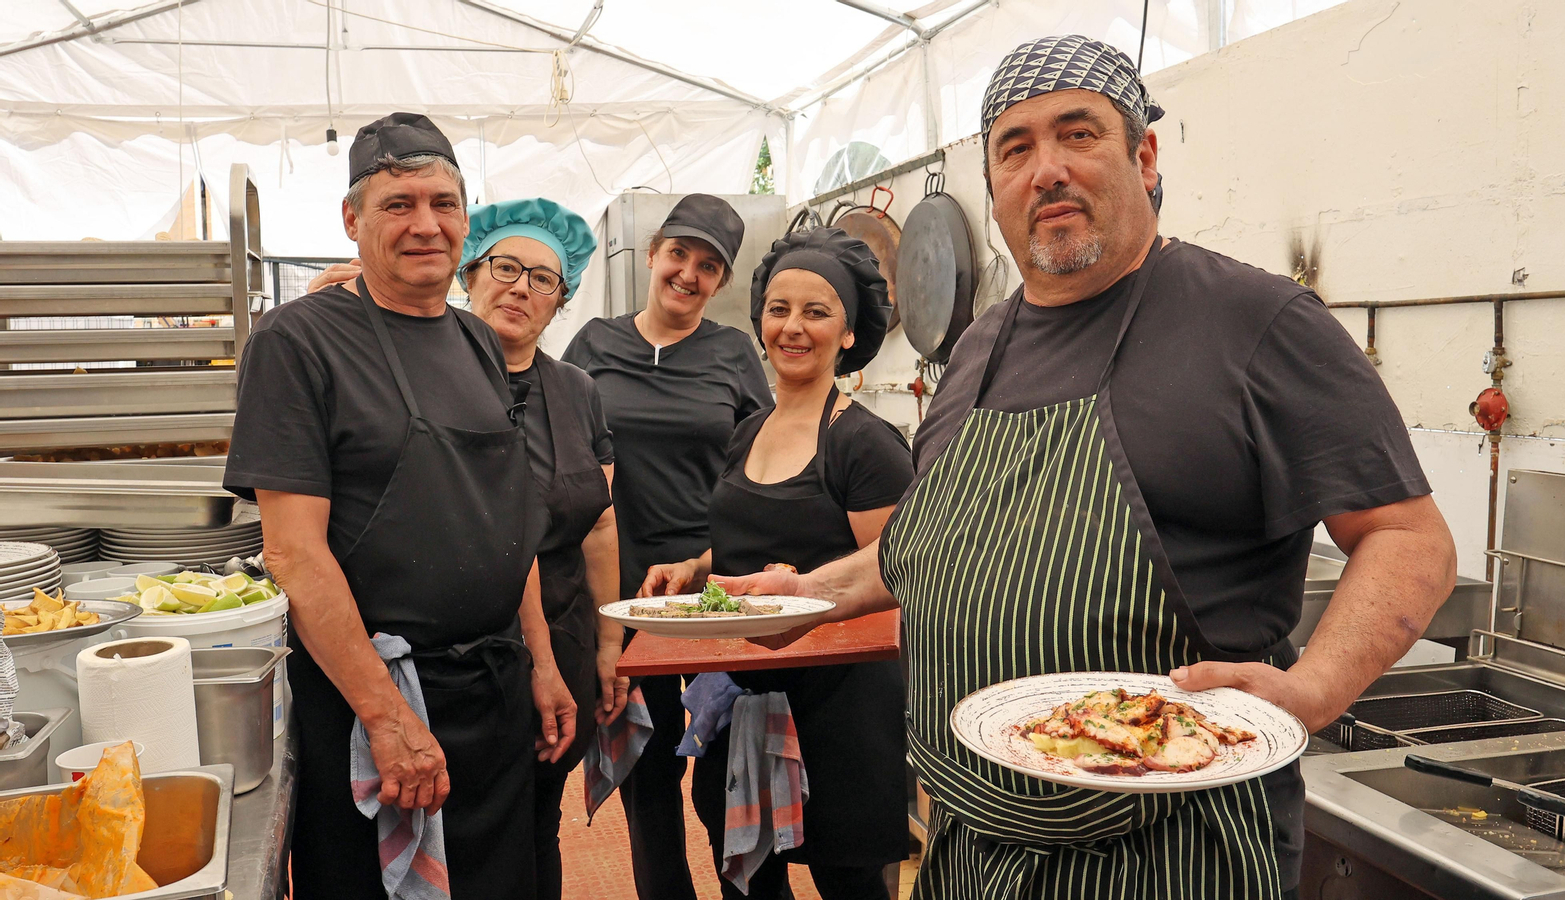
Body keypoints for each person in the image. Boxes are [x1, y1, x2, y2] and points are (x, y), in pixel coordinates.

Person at [719, 35, 1457, 900]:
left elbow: (1411, 537)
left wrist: (1317, 688)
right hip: (971, 844)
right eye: (1017, 147)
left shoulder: (1258, 322)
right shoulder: (977, 347)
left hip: (1171, 851)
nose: (1047, 170)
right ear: (993, 184)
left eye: (1079, 135)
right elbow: (934, 543)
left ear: (1143, 155)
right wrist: (815, 595)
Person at [223, 113, 576, 898]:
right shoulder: (297, 343)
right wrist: (386, 719)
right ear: (352, 219)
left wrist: (543, 662)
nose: (426, 225)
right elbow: (292, 551)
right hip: (372, 706)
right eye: (399, 204)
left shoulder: (478, 341)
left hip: (491, 694)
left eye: (444, 204)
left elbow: (504, 519)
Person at [306, 197, 627, 899]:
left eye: (543, 278)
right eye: (506, 267)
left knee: (534, 824)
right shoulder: (391, 365)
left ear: (560, 300)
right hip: (432, 664)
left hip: (555, 644)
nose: (521, 287)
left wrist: (607, 645)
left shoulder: (577, 391)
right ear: (469, 274)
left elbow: (599, 523)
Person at [639, 228, 909, 899]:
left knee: (849, 882)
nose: (792, 327)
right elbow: (745, 539)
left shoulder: (864, 444)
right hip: (743, 696)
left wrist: (807, 591)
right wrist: (698, 570)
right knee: (747, 878)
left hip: (841, 710)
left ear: (848, 334)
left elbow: (899, 571)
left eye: (816, 312)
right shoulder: (747, 430)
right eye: (779, 309)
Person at [562, 193, 772, 900]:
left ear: (720, 280)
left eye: (708, 265)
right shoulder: (594, 342)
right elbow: (548, 431)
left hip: (716, 593)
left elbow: (763, 467)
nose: (689, 273)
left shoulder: (734, 352)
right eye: (679, 253)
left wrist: (720, 564)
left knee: (728, 777)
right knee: (647, 780)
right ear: (653, 253)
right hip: (625, 597)